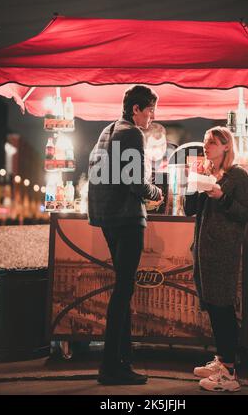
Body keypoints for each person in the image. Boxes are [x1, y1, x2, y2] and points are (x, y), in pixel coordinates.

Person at [88, 85, 163, 385]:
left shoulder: (108, 131)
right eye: (150, 111)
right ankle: (111, 367)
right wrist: (156, 192)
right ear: (136, 109)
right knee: (123, 292)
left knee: (122, 289)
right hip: (127, 219)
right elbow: (136, 182)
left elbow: (99, 175)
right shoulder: (132, 133)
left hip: (107, 217)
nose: (151, 117)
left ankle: (120, 359)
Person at [184, 126, 248, 392]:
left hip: (223, 251)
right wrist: (195, 182)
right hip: (203, 250)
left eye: (212, 142)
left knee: (222, 307)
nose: (206, 146)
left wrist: (222, 196)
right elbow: (190, 209)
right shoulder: (207, 173)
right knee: (212, 306)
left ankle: (230, 373)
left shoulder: (238, 175)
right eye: (205, 141)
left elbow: (246, 213)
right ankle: (222, 360)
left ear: (226, 146)